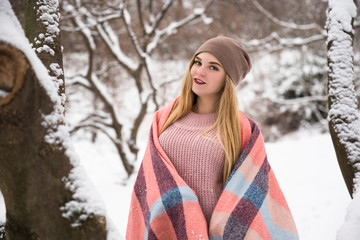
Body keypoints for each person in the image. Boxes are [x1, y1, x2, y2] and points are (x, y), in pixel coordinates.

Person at [126, 36, 299, 240]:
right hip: (168, 230)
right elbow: (149, 186)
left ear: (228, 79)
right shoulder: (163, 119)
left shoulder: (242, 129)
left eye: (213, 67)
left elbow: (253, 194)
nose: (199, 71)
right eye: (197, 62)